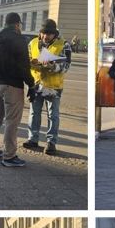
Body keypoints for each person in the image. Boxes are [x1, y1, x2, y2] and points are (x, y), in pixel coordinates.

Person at [0, 12, 36, 167]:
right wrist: (31, 84)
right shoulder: (19, 40)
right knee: (12, 121)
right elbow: (24, 67)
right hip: (12, 85)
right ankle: (9, 156)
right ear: (17, 24)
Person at [22, 19, 71, 155]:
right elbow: (28, 59)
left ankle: (51, 142)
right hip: (36, 84)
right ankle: (33, 139)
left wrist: (52, 66)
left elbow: (66, 66)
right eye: (43, 33)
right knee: (34, 113)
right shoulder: (32, 43)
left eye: (49, 34)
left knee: (53, 115)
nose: (45, 36)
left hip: (53, 86)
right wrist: (32, 64)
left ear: (54, 34)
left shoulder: (64, 45)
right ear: (40, 33)